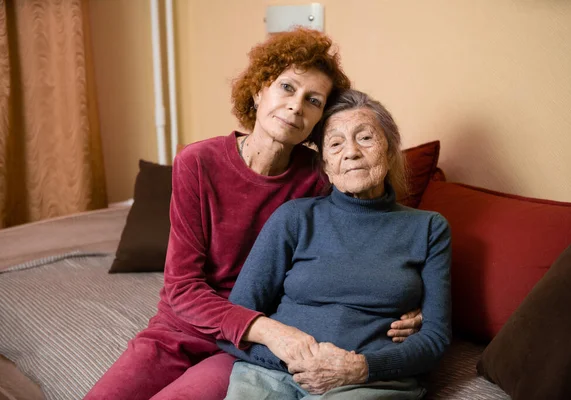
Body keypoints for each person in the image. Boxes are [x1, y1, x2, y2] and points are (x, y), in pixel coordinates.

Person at [85, 29, 422, 400]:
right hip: (188, 328)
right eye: (287, 88)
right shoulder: (198, 162)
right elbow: (182, 288)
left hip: (252, 346)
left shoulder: (323, 173)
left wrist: (416, 303)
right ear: (260, 89)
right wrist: (269, 331)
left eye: (313, 100)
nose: (296, 106)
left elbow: (376, 227)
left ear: (318, 122)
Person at [218, 89, 452, 400]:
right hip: (272, 373)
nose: (351, 152)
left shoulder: (428, 228)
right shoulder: (294, 218)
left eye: (365, 138)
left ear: (390, 151)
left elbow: (435, 339)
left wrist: (360, 367)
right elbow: (232, 322)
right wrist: (297, 362)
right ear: (326, 165)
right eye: (336, 143)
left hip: (368, 382)